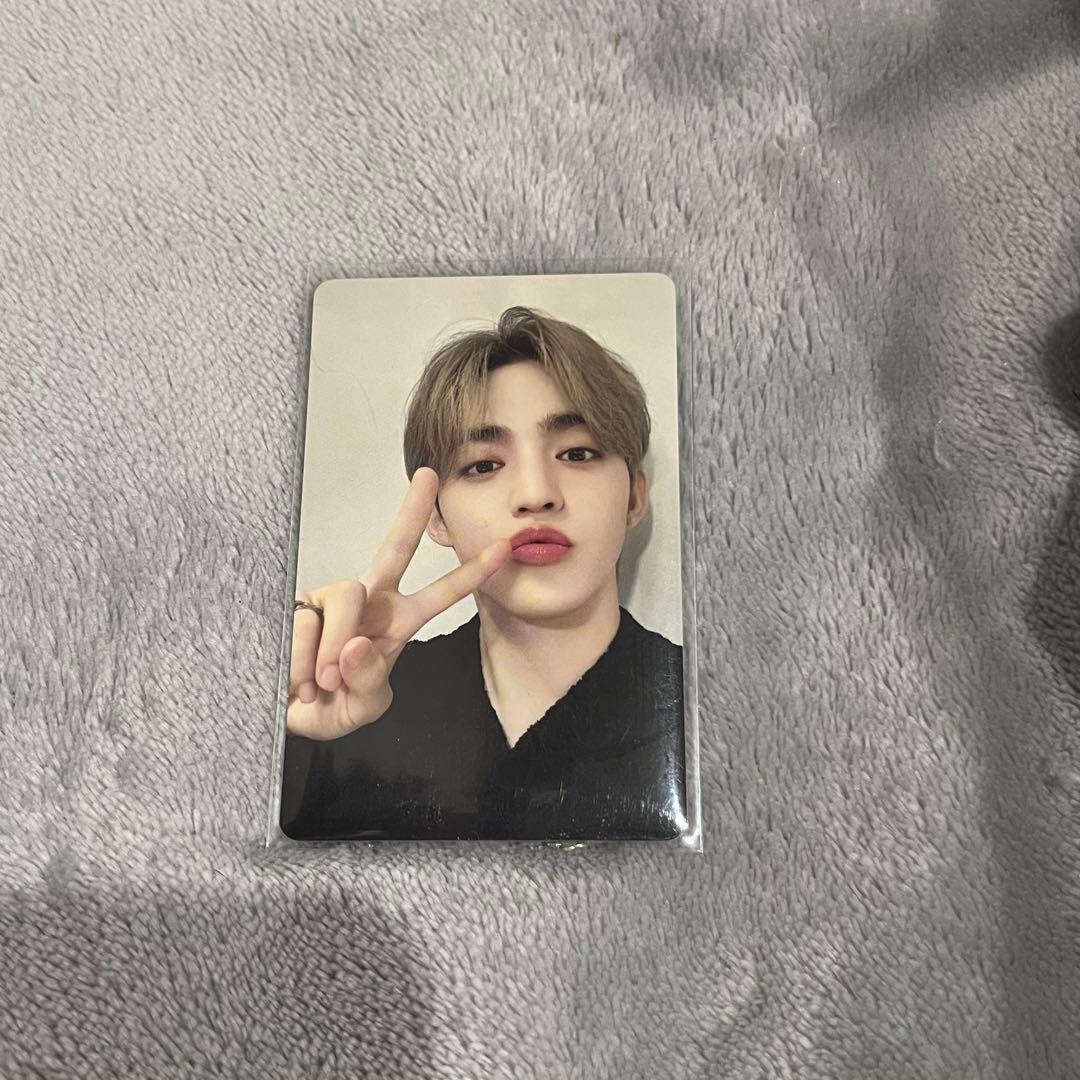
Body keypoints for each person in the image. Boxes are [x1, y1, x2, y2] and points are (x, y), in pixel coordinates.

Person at [280, 306, 686, 841]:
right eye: (483, 465)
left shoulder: (706, 708)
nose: (536, 494)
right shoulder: (362, 700)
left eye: (577, 453)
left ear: (634, 497)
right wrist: (293, 729)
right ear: (437, 518)